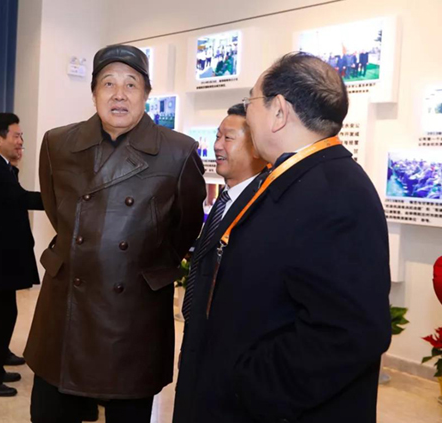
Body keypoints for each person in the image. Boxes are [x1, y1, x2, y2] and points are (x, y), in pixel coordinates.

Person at [173, 52, 391, 423]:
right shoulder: (296, 178)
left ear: (279, 111)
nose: (247, 113)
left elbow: (349, 333)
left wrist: (248, 383)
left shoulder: (337, 193)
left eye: (251, 102)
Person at [24, 44, 206, 423]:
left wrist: (138, 262)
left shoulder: (178, 152)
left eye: (131, 84)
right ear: (94, 92)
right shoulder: (58, 143)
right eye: (108, 83)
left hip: (133, 316)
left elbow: (185, 229)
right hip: (66, 310)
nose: (119, 94)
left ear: (146, 93)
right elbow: (58, 212)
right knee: (51, 412)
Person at [0, 112, 44, 397]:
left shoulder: (0, 166)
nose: (20, 141)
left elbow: (14, 197)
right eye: (16, 136)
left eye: (21, 136)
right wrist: (57, 199)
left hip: (0, 255)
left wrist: (13, 167)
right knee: (1, 315)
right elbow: (20, 198)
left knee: (1, 312)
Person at [180, 103, 267, 323]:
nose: (217, 146)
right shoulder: (224, 198)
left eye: (228, 138)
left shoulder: (265, 206)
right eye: (217, 136)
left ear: (256, 146)